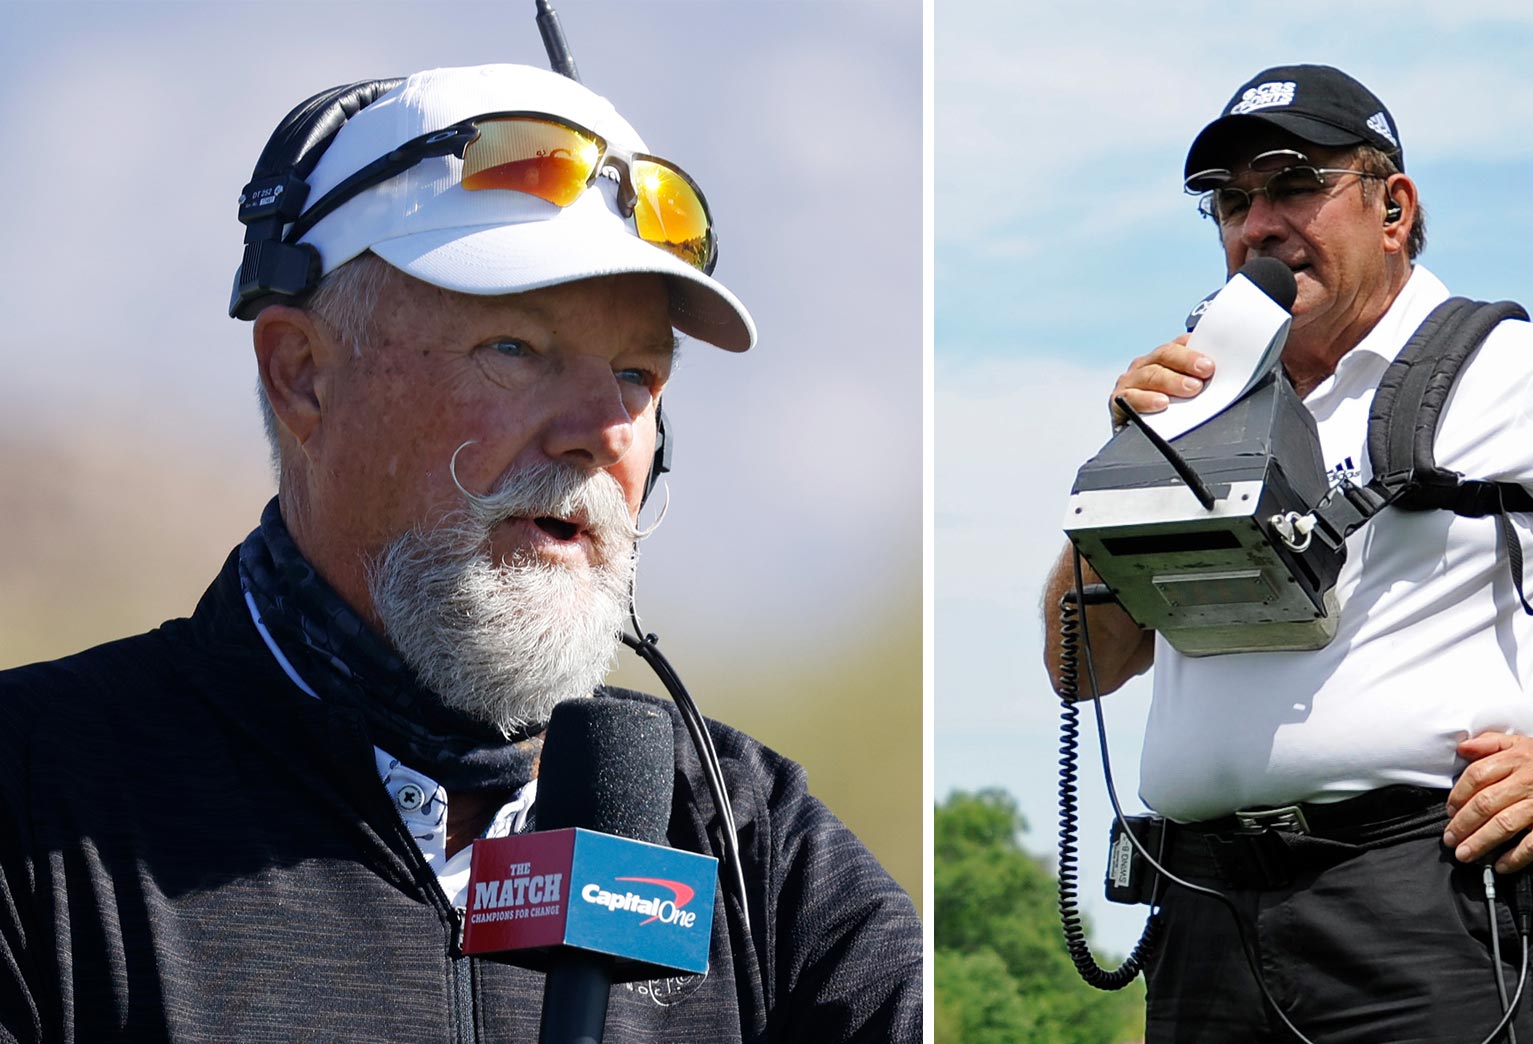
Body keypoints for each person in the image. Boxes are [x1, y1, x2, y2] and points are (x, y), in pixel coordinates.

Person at [0, 63, 920, 1042]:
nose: (601, 429)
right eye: (515, 348)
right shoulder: (33, 794)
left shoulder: (751, 844)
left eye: (635, 374)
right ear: (302, 376)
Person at [1040, 64, 1533, 1042]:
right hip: (1202, 911)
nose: (1255, 224)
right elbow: (1081, 668)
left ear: (1391, 206)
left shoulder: (1515, 373)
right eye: (1229, 202)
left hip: (1428, 909)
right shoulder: (1188, 397)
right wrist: (1125, 471)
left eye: (1291, 184)